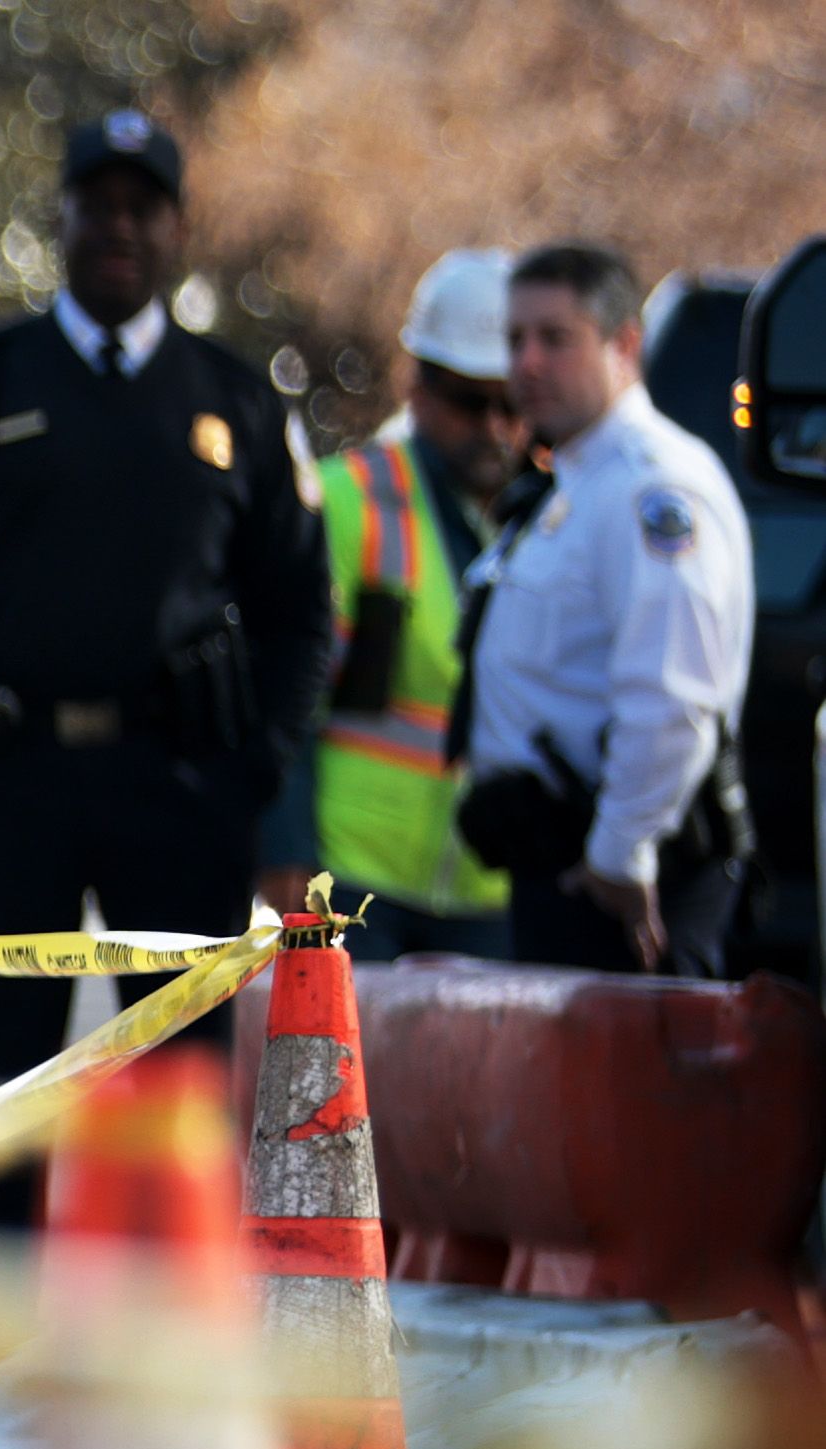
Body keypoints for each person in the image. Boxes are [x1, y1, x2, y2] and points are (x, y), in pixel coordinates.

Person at [0, 107, 331, 1215]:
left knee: (180, 1097)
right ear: (57, 219)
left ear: (176, 229)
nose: (117, 228)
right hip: (3, 784)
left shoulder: (236, 403)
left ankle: (162, 1355)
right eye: (95, 205)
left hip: (179, 790)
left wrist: (259, 775)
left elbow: (301, 609)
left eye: (142, 208)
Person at [455, 239, 756, 977]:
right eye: (515, 339)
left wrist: (620, 855)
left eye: (555, 338)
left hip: (622, 882)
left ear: (625, 344)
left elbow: (671, 698)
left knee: (634, 1093)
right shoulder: (578, 479)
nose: (525, 363)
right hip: (567, 864)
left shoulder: (653, 488)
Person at [273, 249, 530, 956]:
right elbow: (288, 699)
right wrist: (285, 848)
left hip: (486, 890)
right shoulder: (349, 501)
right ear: (416, 385)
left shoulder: (546, 518)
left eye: (511, 404)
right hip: (355, 882)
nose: (494, 427)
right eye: (469, 401)